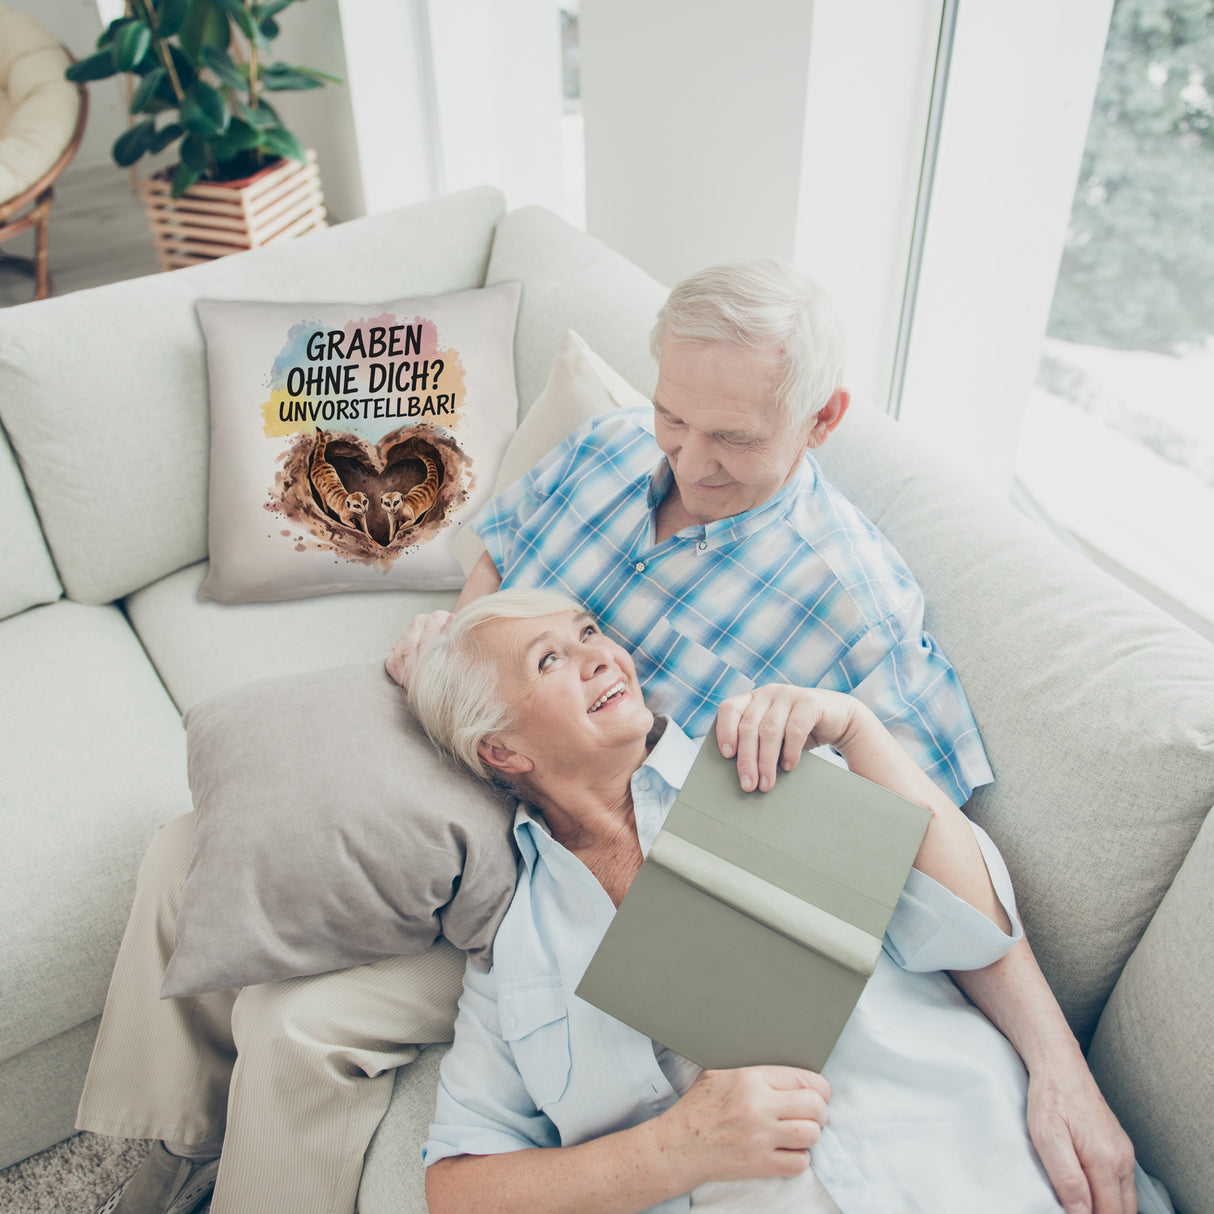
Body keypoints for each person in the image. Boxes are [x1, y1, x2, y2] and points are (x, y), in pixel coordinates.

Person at [389, 259, 1136, 1213]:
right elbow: (501, 555)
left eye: (732, 438)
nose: (689, 462)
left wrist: (1058, 1069)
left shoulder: (828, 664)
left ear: (822, 420)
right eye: (674, 418)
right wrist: (461, 660)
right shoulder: (608, 450)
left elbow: (945, 886)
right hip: (492, 834)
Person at [407, 588, 1161, 1214]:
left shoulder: (762, 762)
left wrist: (859, 731)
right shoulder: (517, 951)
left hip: (986, 1168)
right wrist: (674, 1149)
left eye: (589, 632)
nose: (601, 655)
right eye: (551, 659)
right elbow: (458, 1188)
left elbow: (973, 929)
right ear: (502, 750)